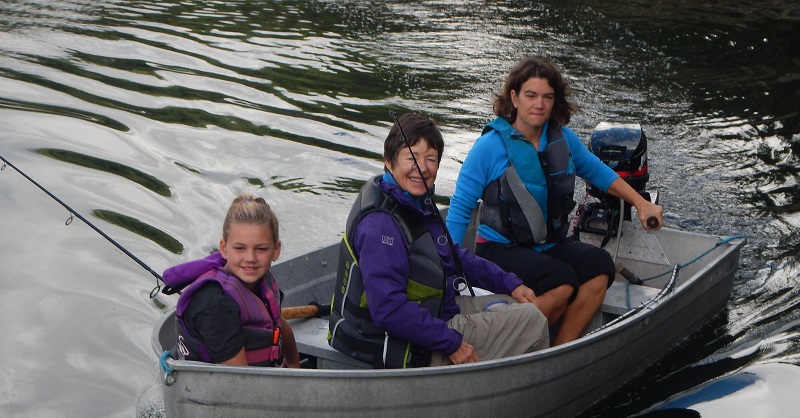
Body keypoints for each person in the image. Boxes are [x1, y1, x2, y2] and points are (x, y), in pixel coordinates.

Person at [446, 57, 664, 345]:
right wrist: (444, 267)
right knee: (561, 281)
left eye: (547, 97)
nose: (539, 104)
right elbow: (460, 208)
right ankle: (499, 345)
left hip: (547, 244)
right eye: (531, 95)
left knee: (600, 267)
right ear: (514, 97)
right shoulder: (490, 146)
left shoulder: (564, 139)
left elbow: (597, 171)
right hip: (499, 248)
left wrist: (640, 202)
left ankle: (560, 350)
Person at [328, 112, 549, 368]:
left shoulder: (411, 202)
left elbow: (452, 257)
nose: (422, 168)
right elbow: (389, 308)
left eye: (431, 159)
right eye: (411, 157)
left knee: (521, 305)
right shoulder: (381, 225)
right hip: (399, 343)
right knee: (534, 323)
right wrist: (451, 342)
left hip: (435, 311)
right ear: (389, 162)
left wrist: (510, 283)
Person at [162, 194, 300, 368]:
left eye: (261, 249)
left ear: (276, 250)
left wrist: (294, 365)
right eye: (240, 248)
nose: (250, 258)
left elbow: (280, 325)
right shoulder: (215, 305)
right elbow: (238, 381)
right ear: (223, 248)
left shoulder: (263, 283)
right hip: (221, 389)